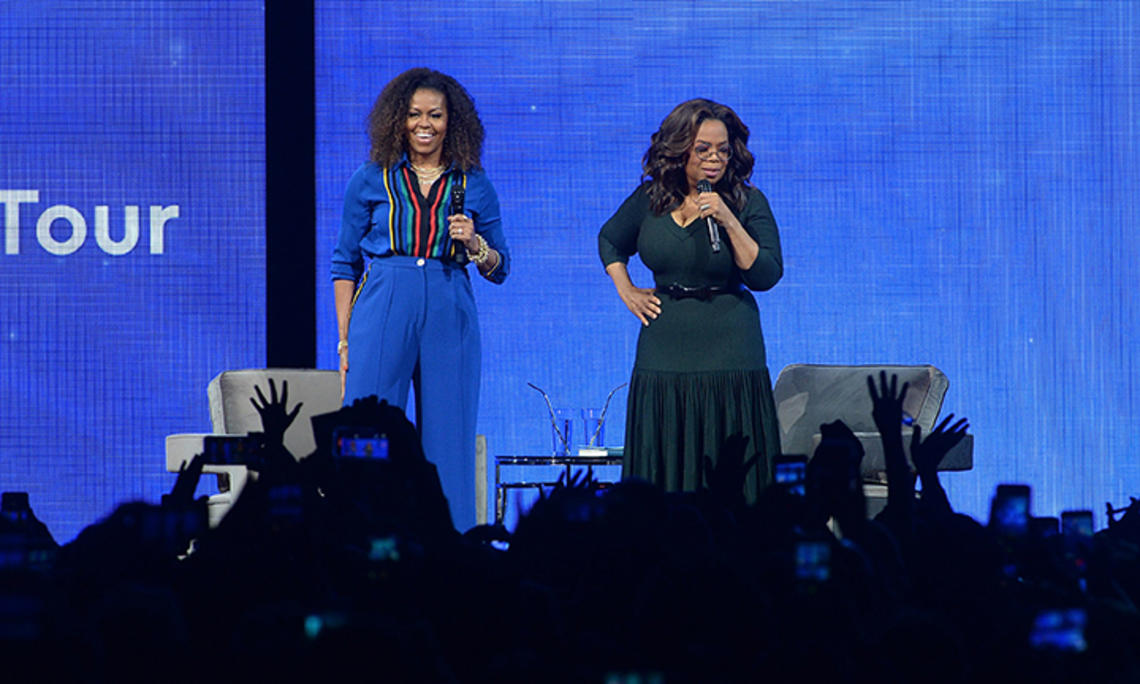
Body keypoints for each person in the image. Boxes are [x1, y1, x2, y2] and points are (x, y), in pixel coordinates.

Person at [331, 68, 509, 532]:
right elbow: (344, 262)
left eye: (435, 114)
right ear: (397, 120)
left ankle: (449, 558)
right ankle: (357, 541)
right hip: (385, 299)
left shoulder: (473, 183)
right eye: (413, 114)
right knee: (367, 433)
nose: (424, 124)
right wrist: (346, 339)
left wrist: (475, 245)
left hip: (450, 304)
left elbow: (501, 267)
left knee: (448, 440)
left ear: (454, 121)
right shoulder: (371, 178)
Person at [598, 98, 782, 502]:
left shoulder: (748, 202)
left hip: (730, 350)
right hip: (664, 348)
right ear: (679, 150)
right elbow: (610, 240)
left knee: (730, 466)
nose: (715, 159)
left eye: (723, 150)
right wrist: (626, 289)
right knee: (665, 459)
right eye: (703, 149)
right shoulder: (650, 199)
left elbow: (765, 274)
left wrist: (728, 218)